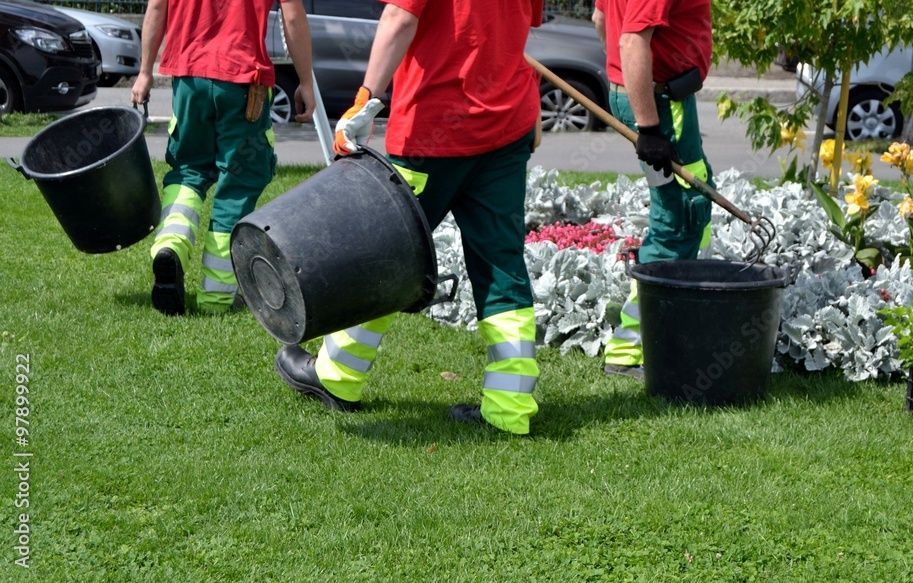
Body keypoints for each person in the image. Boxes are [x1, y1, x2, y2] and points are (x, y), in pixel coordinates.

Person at [274, 0, 544, 435]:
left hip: (432, 129)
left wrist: (365, 98)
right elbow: (517, 27)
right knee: (501, 264)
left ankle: (337, 376)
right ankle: (510, 408)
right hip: (505, 126)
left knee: (383, 250)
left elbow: (401, 17)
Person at [131, 0, 315, 316]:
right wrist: (306, 81)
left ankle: (170, 245)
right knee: (238, 183)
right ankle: (215, 298)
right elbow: (293, 15)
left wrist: (145, 72)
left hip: (189, 78)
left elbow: (157, 7)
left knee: (188, 171)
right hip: (243, 82)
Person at [593, 0, 715, 381]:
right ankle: (632, 347)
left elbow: (601, 20)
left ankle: (686, 298)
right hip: (662, 104)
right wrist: (648, 124)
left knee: (694, 200)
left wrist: (624, 82)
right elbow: (631, 40)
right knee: (680, 217)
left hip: (659, 97)